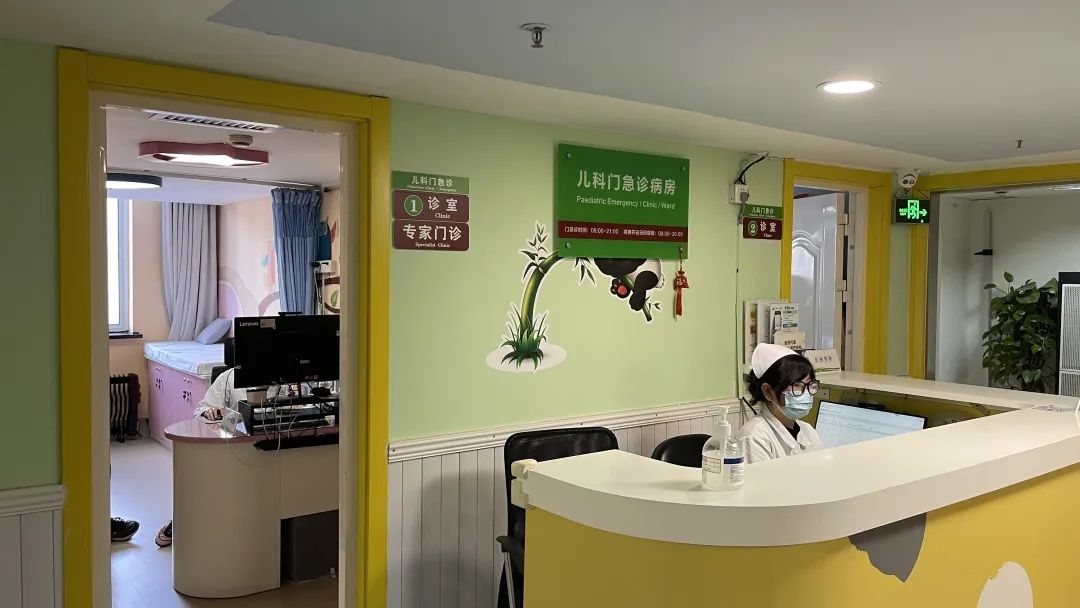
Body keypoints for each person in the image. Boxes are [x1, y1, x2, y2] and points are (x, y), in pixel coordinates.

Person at [738, 343, 823, 463]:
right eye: (796, 385)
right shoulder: (753, 437)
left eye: (809, 384)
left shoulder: (809, 431)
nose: (806, 392)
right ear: (768, 391)